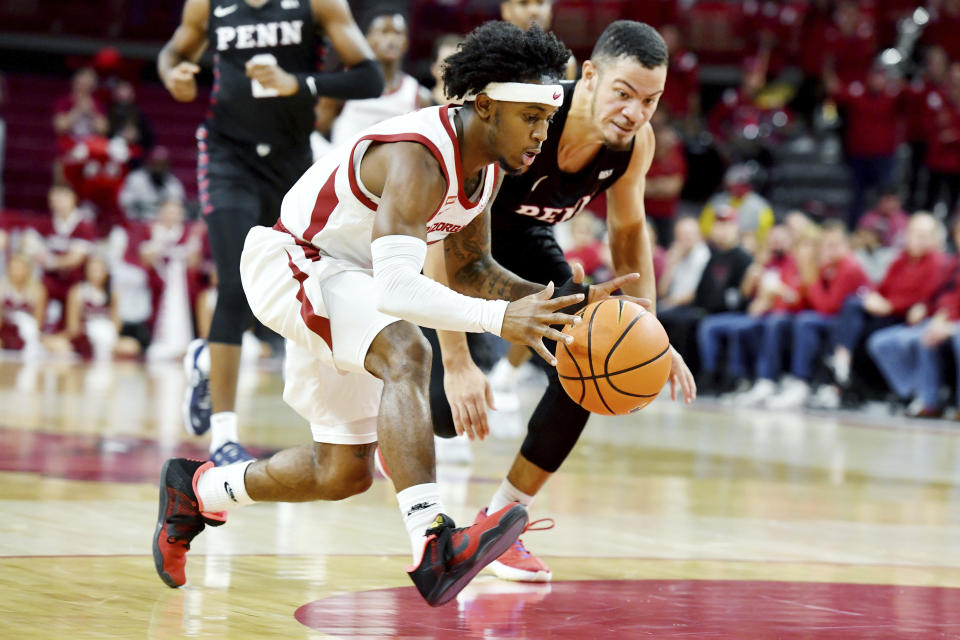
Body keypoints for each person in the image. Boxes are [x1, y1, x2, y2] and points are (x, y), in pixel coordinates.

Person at [152, 22, 632, 607]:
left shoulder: (486, 167)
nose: (542, 131)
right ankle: (434, 544)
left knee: (342, 473)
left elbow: (474, 266)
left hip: (346, 282)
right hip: (297, 263)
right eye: (530, 116)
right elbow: (400, 289)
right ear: (484, 105)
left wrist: (560, 303)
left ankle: (200, 489)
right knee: (407, 349)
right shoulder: (419, 156)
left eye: (545, 117)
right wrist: (497, 321)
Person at [427, 21, 696, 583]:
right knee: (445, 415)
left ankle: (500, 522)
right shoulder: (528, 115)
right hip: (453, 238)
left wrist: (649, 330)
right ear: (590, 76)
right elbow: (442, 234)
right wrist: (456, 360)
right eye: (623, 92)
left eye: (650, 100)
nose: (634, 112)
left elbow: (628, 234)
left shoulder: (633, 145)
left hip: (525, 241)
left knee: (593, 359)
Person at [159, 0, 384, 465]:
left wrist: (298, 84)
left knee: (317, 280)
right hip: (228, 157)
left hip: (291, 157)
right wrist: (172, 74)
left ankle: (340, 425)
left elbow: (369, 76)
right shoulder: (209, 4)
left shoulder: (318, 4)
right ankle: (223, 435)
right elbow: (172, 52)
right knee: (234, 285)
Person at [316, 6, 433, 147]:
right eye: (384, 32)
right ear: (367, 39)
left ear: (406, 43)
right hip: (345, 166)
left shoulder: (418, 96)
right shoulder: (343, 85)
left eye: (398, 33)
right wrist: (331, 160)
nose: (391, 39)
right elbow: (313, 135)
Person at [499, 0, 577, 80]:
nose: (534, 11)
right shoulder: (495, 61)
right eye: (523, 3)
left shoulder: (566, 63)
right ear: (506, 10)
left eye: (541, 3)